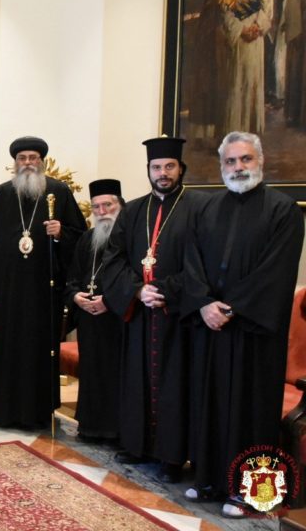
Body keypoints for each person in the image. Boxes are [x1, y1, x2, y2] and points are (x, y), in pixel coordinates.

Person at [182, 131, 303, 517]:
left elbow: (276, 273)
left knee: (250, 409)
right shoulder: (206, 209)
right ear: (222, 166)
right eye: (231, 161)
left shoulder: (283, 210)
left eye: (245, 160)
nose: (238, 168)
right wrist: (203, 304)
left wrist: (230, 309)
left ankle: (252, 493)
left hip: (253, 332)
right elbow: (192, 262)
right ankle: (209, 479)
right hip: (212, 328)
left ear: (260, 162)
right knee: (211, 404)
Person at [100, 136, 210, 482]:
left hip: (178, 316)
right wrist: (136, 290)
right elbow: (112, 258)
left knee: (175, 384)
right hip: (140, 313)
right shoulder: (132, 210)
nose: (162, 173)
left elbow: (203, 263)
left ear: (181, 169)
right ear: (148, 170)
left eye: (169, 167)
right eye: (156, 167)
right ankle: (137, 445)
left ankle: (172, 456)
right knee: (137, 379)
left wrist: (164, 290)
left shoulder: (200, 208)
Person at [0, 136, 84, 430]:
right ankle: (7, 411)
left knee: (40, 351)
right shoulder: (2, 193)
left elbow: (81, 239)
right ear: (15, 163)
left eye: (33, 158)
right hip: (10, 292)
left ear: (42, 162)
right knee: (9, 351)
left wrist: (62, 232)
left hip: (43, 292)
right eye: (22, 158)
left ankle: (39, 412)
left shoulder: (58, 192)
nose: (27, 163)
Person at [63, 179, 125, 442]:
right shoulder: (87, 238)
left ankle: (116, 430)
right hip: (89, 318)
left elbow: (134, 277)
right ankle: (89, 426)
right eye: (96, 207)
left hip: (118, 319)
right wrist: (76, 296)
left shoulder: (130, 237)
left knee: (115, 374)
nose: (101, 211)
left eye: (107, 205)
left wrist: (108, 301)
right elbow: (73, 275)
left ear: (120, 206)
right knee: (91, 372)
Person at [219, 0, 273, 134]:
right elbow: (224, 11)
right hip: (240, 41)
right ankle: (236, 130)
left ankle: (251, 129)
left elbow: (268, 0)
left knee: (253, 81)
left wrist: (258, 26)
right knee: (237, 82)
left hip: (255, 39)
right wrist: (241, 30)